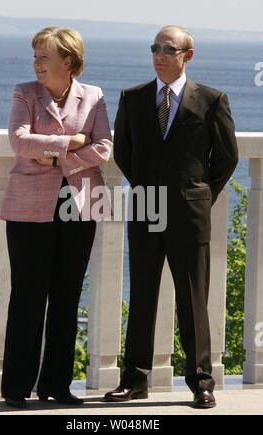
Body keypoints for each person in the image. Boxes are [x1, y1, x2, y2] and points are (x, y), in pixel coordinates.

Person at [104, 26, 238, 408]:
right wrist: (149, 189)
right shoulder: (133, 99)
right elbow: (124, 153)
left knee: (193, 302)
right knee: (142, 297)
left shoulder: (212, 100)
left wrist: (198, 194)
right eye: (155, 48)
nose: (159, 54)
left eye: (168, 48)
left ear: (187, 55)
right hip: (146, 209)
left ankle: (201, 382)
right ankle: (135, 380)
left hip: (189, 215)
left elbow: (226, 157)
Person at [0, 27, 112, 408]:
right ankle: (16, 388)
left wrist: (53, 157)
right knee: (27, 297)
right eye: (35, 57)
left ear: (68, 61)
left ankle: (56, 386)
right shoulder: (23, 92)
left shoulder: (93, 96)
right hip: (29, 207)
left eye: (43, 57)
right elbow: (18, 140)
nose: (36, 64)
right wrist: (73, 143)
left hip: (80, 206)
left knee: (67, 297)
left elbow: (104, 148)